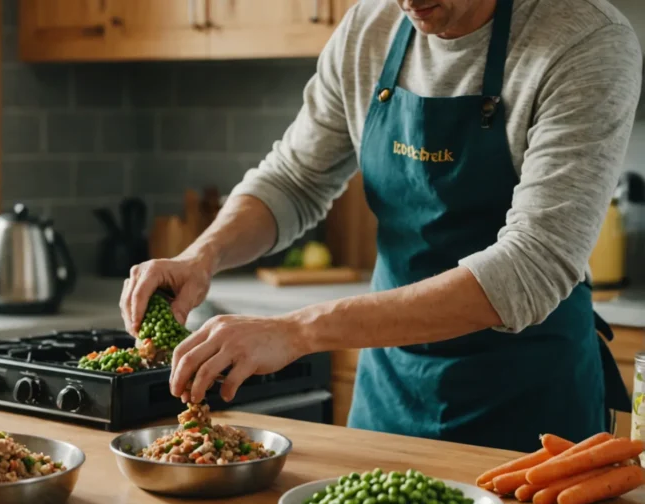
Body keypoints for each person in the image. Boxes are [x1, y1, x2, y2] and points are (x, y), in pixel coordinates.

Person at [120, 0, 643, 452]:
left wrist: (297, 331)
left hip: (529, 410)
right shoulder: (369, 29)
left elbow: (531, 266)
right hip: (390, 396)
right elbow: (294, 179)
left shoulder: (585, 39)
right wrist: (201, 256)